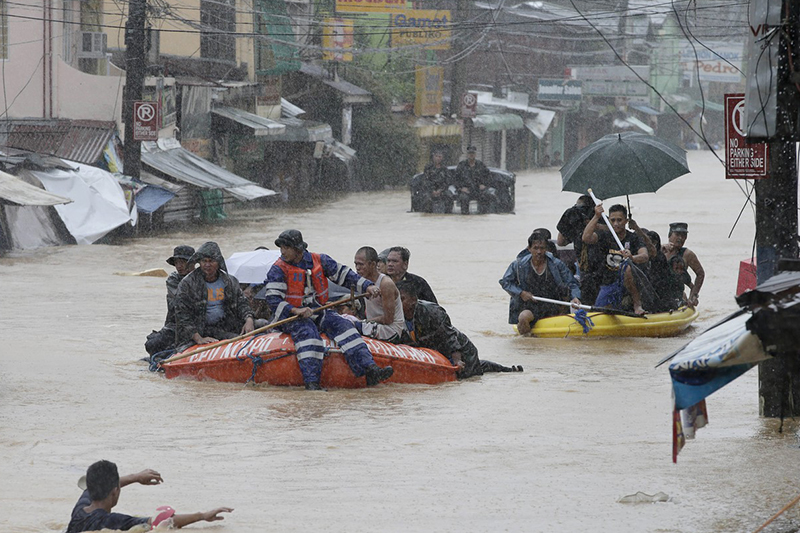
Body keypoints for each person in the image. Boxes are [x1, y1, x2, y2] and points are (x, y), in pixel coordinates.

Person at [264, 229, 394, 390]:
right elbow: (273, 300)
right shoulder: (278, 269)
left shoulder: (320, 260)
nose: (282, 252)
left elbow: (345, 275)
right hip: (291, 317)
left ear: (297, 248)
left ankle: (369, 368)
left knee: (345, 326)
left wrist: (367, 286)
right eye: (281, 248)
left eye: (286, 247)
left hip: (319, 311)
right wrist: (295, 311)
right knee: (308, 335)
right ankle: (312, 384)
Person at [67, 460, 232, 532]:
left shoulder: (80, 508)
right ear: (115, 491)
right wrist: (202, 516)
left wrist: (136, 477)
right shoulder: (111, 521)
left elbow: (89, 489)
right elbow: (161, 522)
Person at [398, 282, 521, 378]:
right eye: (395, 299)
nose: (397, 302)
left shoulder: (432, 311)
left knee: (470, 376)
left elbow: (449, 336)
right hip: (433, 350)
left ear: (413, 299)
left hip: (460, 350)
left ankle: (507, 370)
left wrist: (457, 360)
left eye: (402, 299)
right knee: (479, 366)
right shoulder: (394, 314)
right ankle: (506, 369)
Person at [175, 241, 254, 347]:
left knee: (262, 324)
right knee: (236, 338)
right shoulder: (187, 284)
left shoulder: (230, 281)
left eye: (211, 261)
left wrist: (249, 319)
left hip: (228, 324)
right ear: (199, 262)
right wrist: (198, 338)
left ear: (218, 262)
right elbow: (182, 315)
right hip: (202, 329)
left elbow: (242, 303)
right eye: (204, 261)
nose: (207, 265)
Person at [501, 232, 581, 335]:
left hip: (554, 303)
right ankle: (527, 344)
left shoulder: (557, 264)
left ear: (546, 249)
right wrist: (521, 293)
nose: (539, 252)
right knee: (523, 317)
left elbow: (572, 283)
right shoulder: (518, 265)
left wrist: (575, 297)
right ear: (529, 249)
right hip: (530, 305)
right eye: (535, 248)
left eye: (542, 248)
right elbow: (506, 282)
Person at [582, 203, 650, 315]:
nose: (616, 224)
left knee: (627, 267)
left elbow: (644, 256)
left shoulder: (633, 238)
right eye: (613, 220)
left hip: (630, 279)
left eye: (619, 220)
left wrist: (632, 257)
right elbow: (586, 238)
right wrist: (596, 216)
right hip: (609, 281)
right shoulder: (605, 236)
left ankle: (637, 304)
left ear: (626, 221)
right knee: (600, 311)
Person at [145, 245, 195, 356]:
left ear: (192, 262)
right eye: (177, 262)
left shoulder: (203, 277)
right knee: (152, 344)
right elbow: (181, 301)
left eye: (183, 262)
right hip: (176, 326)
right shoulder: (173, 279)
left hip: (200, 323)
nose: (179, 266)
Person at [352, 246, 405, 342]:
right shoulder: (362, 282)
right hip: (373, 325)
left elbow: (388, 319)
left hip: (390, 330)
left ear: (372, 265)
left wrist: (365, 322)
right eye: (356, 264)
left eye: (361, 264)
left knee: (350, 326)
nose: (357, 268)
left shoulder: (385, 284)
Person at [662, 222, 704, 306]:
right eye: (677, 234)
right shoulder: (660, 250)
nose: (680, 238)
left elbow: (700, 274)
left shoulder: (687, 254)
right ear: (670, 235)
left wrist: (693, 295)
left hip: (676, 294)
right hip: (658, 292)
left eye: (684, 235)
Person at [453, 146, 497, 214]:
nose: (471, 155)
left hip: (478, 190)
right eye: (470, 153)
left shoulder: (480, 165)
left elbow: (489, 177)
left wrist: (484, 185)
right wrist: (460, 188)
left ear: (475, 154)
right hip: (466, 191)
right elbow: (455, 179)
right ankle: (465, 217)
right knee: (463, 198)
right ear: (467, 154)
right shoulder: (461, 165)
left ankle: (482, 215)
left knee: (486, 196)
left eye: (473, 153)